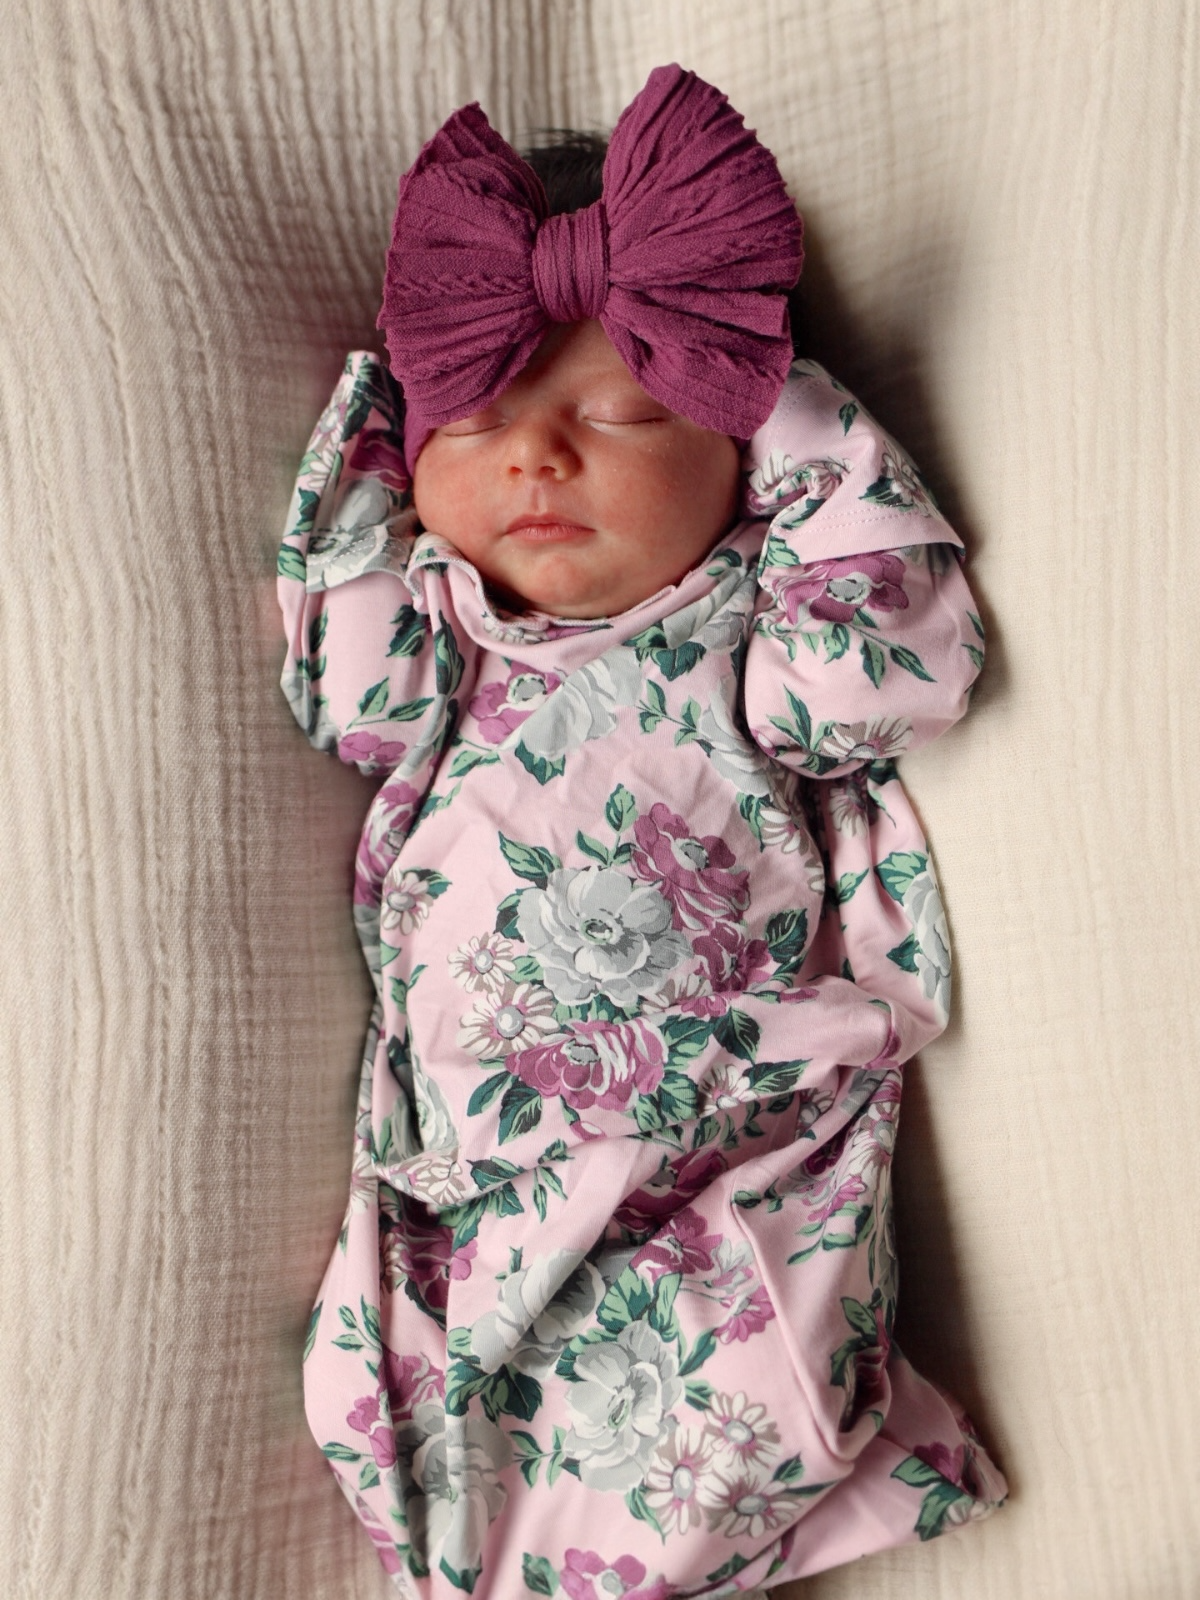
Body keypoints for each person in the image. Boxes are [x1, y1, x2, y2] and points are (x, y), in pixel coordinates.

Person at [278, 62, 1006, 1600]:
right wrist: (380, 405)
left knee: (739, 1396)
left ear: (745, 451)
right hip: (471, 1151)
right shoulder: (443, 639)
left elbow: (898, 662)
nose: (540, 456)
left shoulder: (759, 626)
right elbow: (340, 688)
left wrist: (779, 392)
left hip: (718, 1127)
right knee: (395, 1403)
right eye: (479, 414)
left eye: (624, 408)